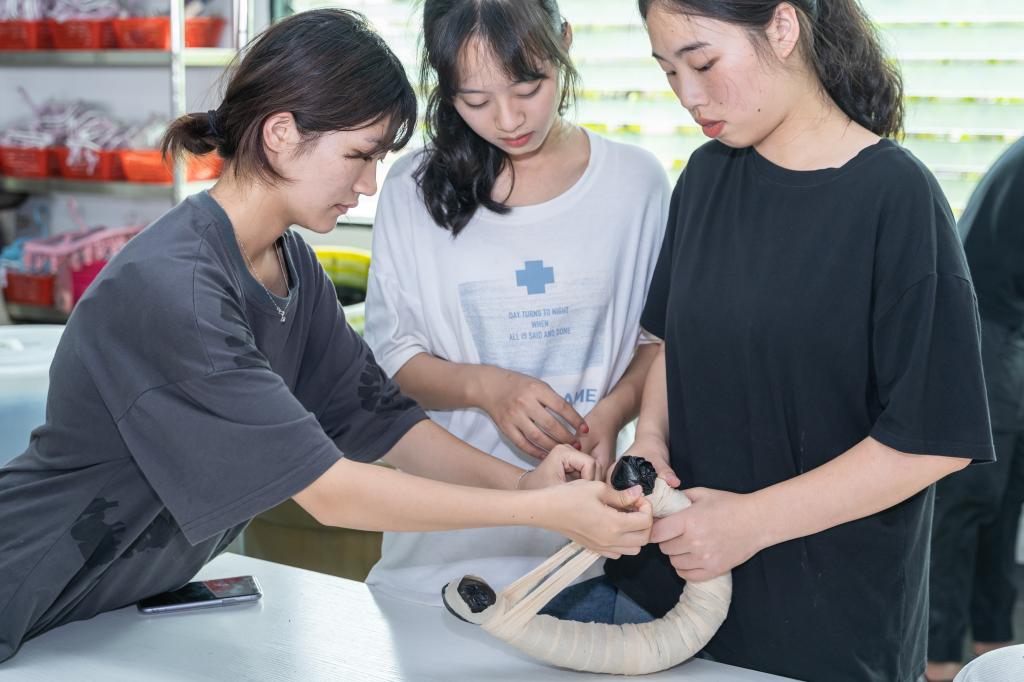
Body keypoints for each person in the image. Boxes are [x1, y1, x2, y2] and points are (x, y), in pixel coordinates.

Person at [0, 9, 653, 664]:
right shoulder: (176, 290)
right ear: (281, 134)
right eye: (359, 156)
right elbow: (331, 492)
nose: (368, 185)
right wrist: (543, 513)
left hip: (101, 608)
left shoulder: (290, 266)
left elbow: (382, 420)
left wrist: (526, 487)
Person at [597, 1, 997, 681]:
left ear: (783, 29)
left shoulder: (896, 198)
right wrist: (652, 440)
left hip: (825, 629)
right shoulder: (705, 177)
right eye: (668, 72)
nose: (688, 95)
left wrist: (747, 523)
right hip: (666, 606)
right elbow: (672, 343)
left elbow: (932, 440)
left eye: (702, 63)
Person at [362, 0, 669, 616]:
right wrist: (487, 389)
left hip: (587, 559)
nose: (508, 119)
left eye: (529, 88)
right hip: (441, 557)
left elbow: (655, 344)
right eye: (475, 100)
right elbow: (390, 361)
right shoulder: (411, 189)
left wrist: (609, 415)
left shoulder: (636, 184)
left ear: (565, 43)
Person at [927, 137, 1024, 682]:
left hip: (1006, 329)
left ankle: (996, 647)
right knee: (969, 502)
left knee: (1004, 500)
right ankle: (939, 660)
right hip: (981, 328)